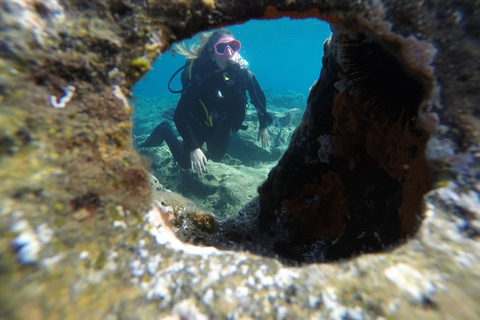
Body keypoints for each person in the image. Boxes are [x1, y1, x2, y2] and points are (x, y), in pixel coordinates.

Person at [139, 29, 273, 175]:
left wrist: (263, 126)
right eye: (221, 48)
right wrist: (194, 148)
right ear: (212, 54)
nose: (229, 53)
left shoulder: (244, 74)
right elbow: (179, 115)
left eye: (233, 46)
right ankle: (164, 129)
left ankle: (201, 148)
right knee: (186, 163)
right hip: (198, 121)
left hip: (223, 122)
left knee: (217, 157)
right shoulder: (202, 78)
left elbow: (259, 96)